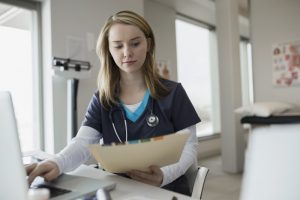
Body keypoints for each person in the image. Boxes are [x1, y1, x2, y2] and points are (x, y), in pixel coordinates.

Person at [26, 10, 200, 195]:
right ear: (108, 49)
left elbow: (189, 147)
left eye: (135, 43)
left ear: (148, 44)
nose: (127, 52)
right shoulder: (103, 99)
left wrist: (163, 175)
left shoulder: (173, 93)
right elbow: (83, 143)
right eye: (118, 46)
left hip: (165, 190)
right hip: (119, 190)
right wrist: (57, 162)